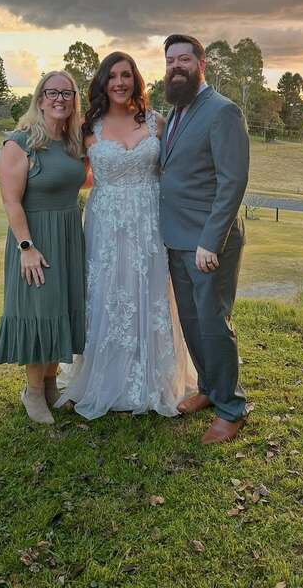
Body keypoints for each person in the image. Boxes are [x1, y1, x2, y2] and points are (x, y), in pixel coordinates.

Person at [56, 52, 194, 418]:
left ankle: (153, 378)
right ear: (103, 83)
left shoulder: (156, 121)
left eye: (126, 75)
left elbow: (174, 169)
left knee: (151, 291)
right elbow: (73, 172)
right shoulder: (88, 127)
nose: (119, 82)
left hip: (150, 221)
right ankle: (103, 377)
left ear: (136, 80)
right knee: (107, 293)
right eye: (112, 76)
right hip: (105, 222)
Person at [159, 34, 249, 444]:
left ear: (201, 64)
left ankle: (232, 407)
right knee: (191, 321)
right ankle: (209, 389)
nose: (176, 66)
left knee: (213, 321)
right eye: (170, 61)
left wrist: (211, 240)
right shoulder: (176, 111)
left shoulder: (223, 111)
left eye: (184, 59)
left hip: (210, 242)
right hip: (177, 239)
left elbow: (232, 181)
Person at [0, 70, 86, 425]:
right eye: (52, 92)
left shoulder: (74, 142)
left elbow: (85, 178)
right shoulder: (20, 143)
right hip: (35, 239)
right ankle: (32, 392)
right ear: (40, 98)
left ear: (74, 99)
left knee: (61, 310)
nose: (60, 98)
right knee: (40, 313)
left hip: (68, 237)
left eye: (67, 92)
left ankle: (49, 385)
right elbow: (11, 201)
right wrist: (26, 247)